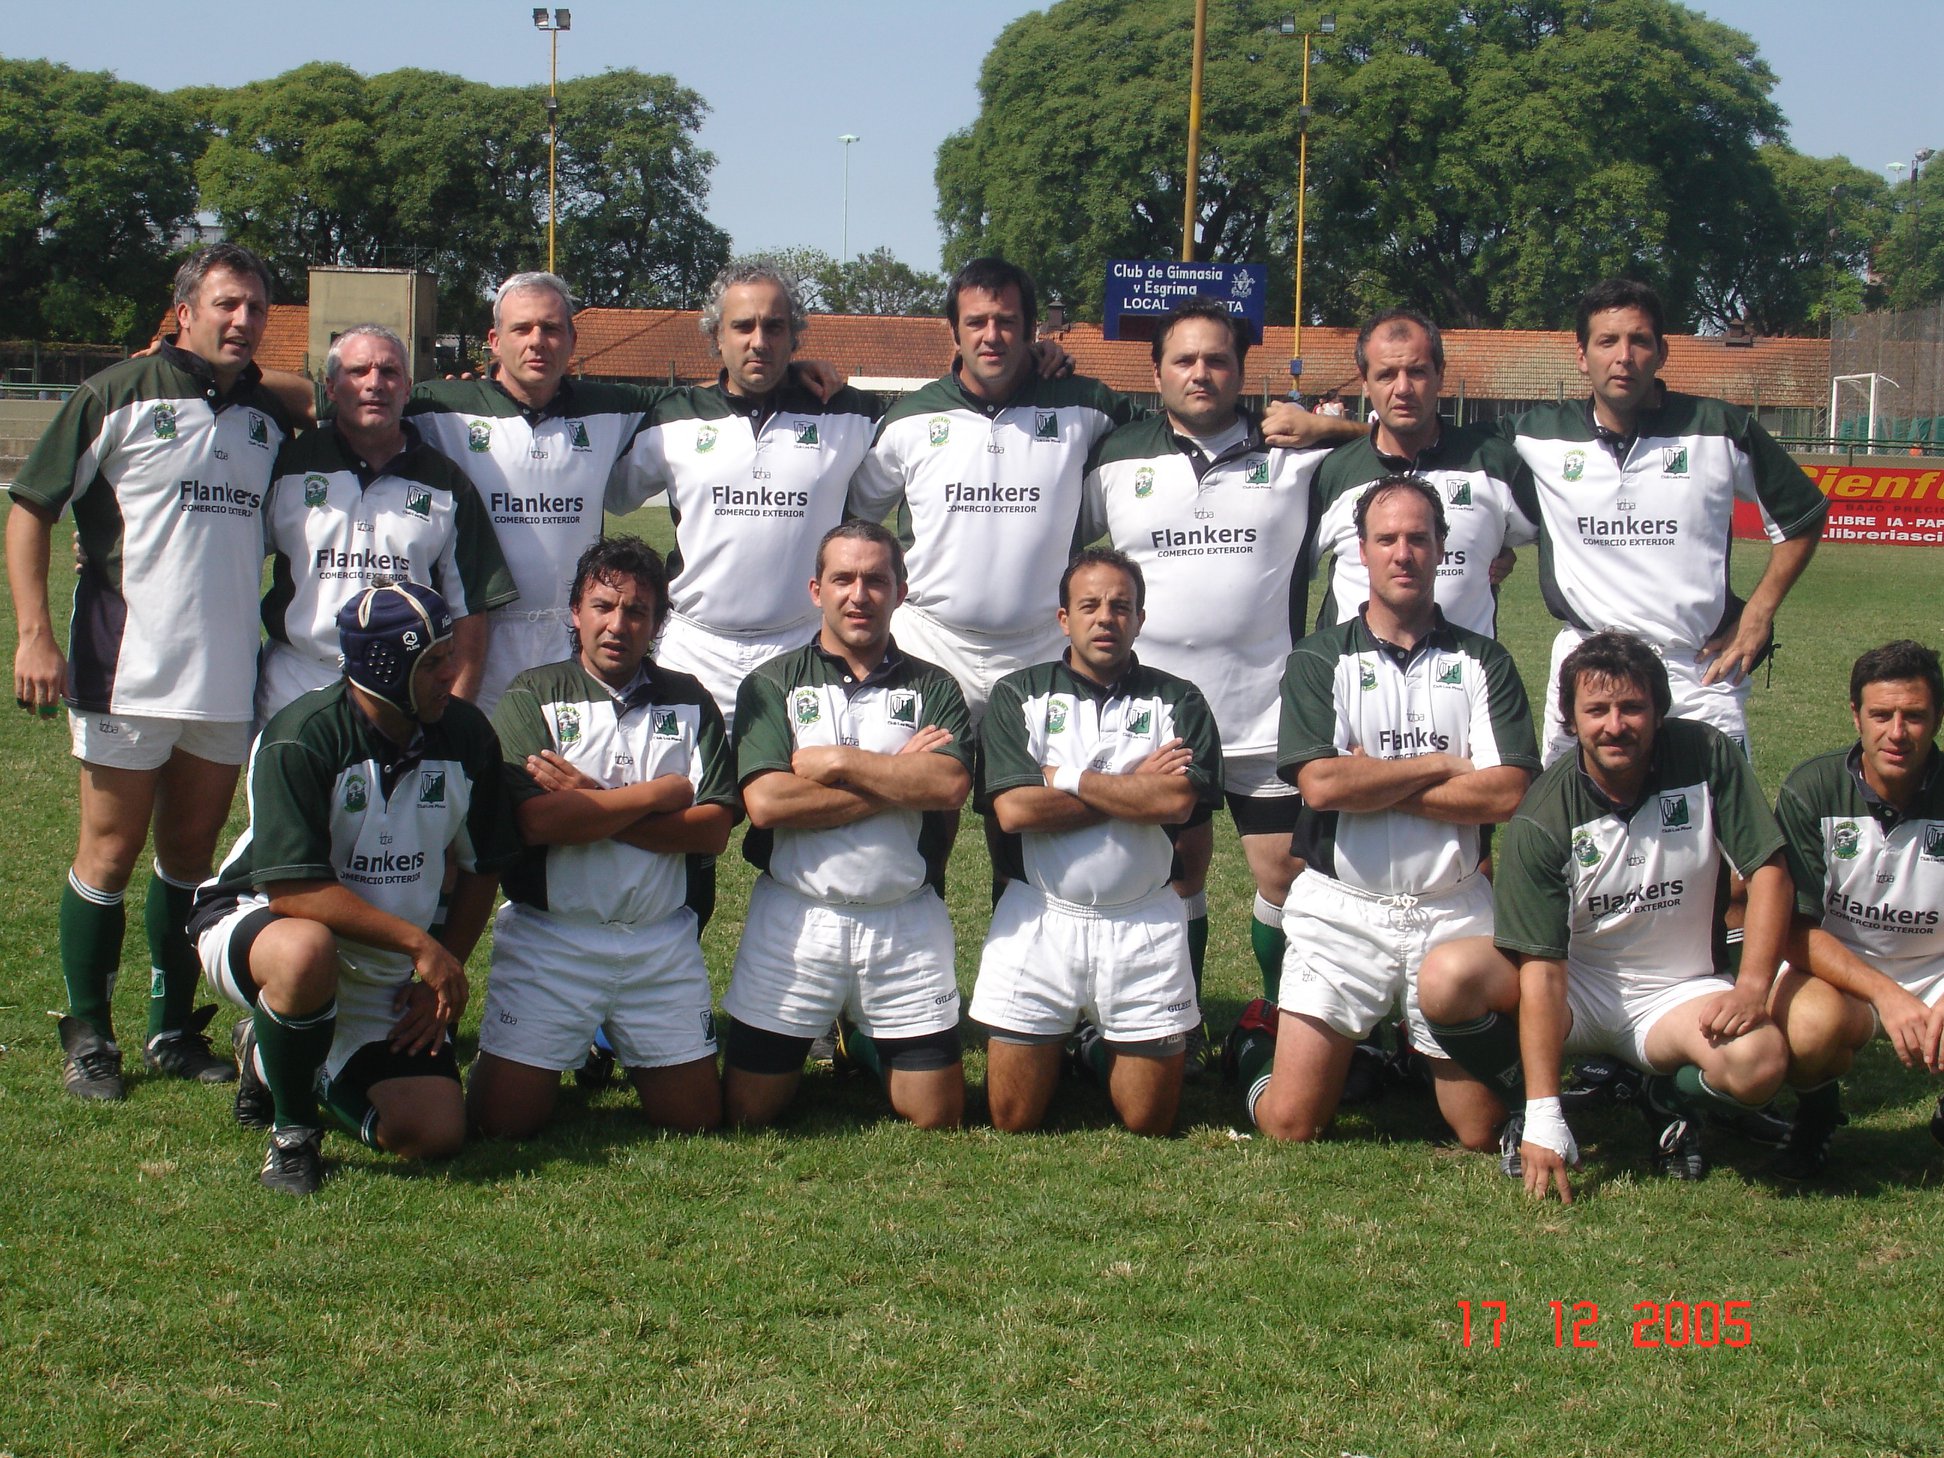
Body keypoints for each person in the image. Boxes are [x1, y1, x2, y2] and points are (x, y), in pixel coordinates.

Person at [9, 243, 292, 1099]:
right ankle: (87, 1033)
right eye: (225, 304)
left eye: (254, 309)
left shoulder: (267, 418)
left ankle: (174, 1028)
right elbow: (30, 508)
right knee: (109, 850)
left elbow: (320, 397)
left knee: (189, 857)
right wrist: (32, 634)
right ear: (185, 311)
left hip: (224, 675)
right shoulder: (115, 395)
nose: (240, 320)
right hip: (122, 665)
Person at [848, 257, 1341, 729]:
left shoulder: (1086, 403)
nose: (992, 336)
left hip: (1042, 643)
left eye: (1007, 321)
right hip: (932, 641)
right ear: (953, 331)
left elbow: (1177, 428)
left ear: (1032, 329)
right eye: (977, 322)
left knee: (1030, 803)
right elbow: (857, 520)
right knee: (934, 794)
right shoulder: (909, 418)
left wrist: (1326, 426)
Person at [1416, 631, 1794, 1203]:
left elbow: (1768, 872)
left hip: (1680, 991)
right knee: (1446, 979)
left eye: (1632, 707)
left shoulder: (1707, 755)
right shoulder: (1543, 814)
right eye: (1596, 710)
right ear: (1570, 718)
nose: (1615, 725)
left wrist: (1752, 987)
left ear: (1659, 710)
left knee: (1760, 1063)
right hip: (1578, 989)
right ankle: (1528, 1103)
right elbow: (1541, 967)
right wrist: (1545, 1112)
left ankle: (1669, 1100)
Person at [1223, 478, 1539, 1149]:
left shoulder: (1484, 661)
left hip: (1451, 909)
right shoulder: (1318, 658)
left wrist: (1374, 777)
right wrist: (1444, 765)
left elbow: (1508, 792)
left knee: (1481, 1130)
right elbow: (1321, 783)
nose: (1404, 553)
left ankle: (1407, 1047)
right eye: (1387, 539)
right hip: (1343, 908)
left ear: (1442, 549)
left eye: (1419, 538)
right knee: (1290, 1124)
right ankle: (1254, 1040)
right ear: (1360, 552)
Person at [190, 583, 519, 1193]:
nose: (455, 672)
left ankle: (271, 1056)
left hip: (382, 961)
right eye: (434, 662)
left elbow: (482, 866)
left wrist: (437, 971)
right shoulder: (302, 736)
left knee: (434, 1133)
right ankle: (293, 1136)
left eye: (450, 654)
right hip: (256, 920)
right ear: (386, 672)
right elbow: (294, 892)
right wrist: (423, 947)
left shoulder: (466, 735)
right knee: (304, 950)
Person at [1080, 296, 1331, 1041]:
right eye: (1184, 359)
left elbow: (1394, 449)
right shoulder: (1119, 458)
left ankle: (1281, 1016)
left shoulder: (1296, 453)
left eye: (1217, 359)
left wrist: (1331, 424)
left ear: (1241, 369)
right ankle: (1176, 1022)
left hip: (1266, 710)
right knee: (1176, 872)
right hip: (1159, 719)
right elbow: (1069, 557)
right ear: (1156, 371)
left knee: (1284, 875)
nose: (1201, 373)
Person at [469, 537, 736, 1138]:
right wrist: (660, 794)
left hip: (659, 944)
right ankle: (583, 1038)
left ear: (658, 622)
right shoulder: (533, 694)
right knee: (500, 1125)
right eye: (603, 606)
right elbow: (538, 822)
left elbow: (714, 830)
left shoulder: (689, 699)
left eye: (637, 611)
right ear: (576, 613)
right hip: (551, 941)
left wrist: (588, 799)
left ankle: (606, 1039)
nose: (618, 624)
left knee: (695, 1121)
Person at [1502, 279, 1827, 765]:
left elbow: (1802, 514)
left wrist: (1758, 612)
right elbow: (1444, 449)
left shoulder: (1718, 428)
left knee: (1716, 831)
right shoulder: (1537, 434)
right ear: (1582, 354)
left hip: (1697, 668)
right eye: (1607, 341)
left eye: (1639, 340)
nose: (1623, 356)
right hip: (1588, 667)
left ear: (1662, 352)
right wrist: (1357, 430)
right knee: (1576, 829)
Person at [720, 521, 974, 1130]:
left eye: (876, 580)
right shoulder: (773, 682)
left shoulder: (934, 685)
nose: (859, 595)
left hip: (904, 917)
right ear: (815, 589)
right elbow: (767, 804)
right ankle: (849, 1028)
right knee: (749, 1112)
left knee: (936, 1116)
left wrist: (838, 764)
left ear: (900, 592)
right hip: (797, 917)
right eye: (843, 579)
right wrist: (895, 780)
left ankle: (864, 1040)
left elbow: (948, 785)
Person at [972, 548, 1223, 1135]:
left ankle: (1091, 1047)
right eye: (1089, 605)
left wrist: (1065, 777)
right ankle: (1074, 1038)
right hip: (1040, 917)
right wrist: (1134, 787)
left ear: (1139, 618)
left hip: (1144, 919)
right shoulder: (1017, 695)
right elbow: (1014, 810)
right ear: (1064, 618)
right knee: (1012, 1117)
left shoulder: (1178, 699)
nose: (1105, 617)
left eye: (1120, 606)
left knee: (1149, 1121)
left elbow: (1177, 802)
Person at [606, 260, 883, 733]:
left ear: (795, 337)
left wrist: (1045, 367)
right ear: (716, 335)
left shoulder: (850, 415)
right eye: (743, 326)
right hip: (694, 648)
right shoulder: (674, 416)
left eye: (775, 327)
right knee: (684, 802)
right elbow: (614, 493)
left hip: (802, 646)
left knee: (798, 801)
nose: (759, 341)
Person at [256, 323, 516, 725]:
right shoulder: (287, 464)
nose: (375, 383)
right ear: (329, 387)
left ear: (408, 388)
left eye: (389, 372)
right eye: (358, 371)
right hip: (298, 677)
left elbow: (472, 616)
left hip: (406, 681)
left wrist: (452, 715)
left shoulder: (446, 482)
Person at [1767, 640, 1944, 1177]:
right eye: (1881, 715)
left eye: (1913, 716)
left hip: (1937, 973)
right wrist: (1886, 996)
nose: (1896, 732)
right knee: (1804, 1029)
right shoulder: (1812, 789)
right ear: (1855, 714)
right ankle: (1817, 1115)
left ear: (1937, 718)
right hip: (1843, 973)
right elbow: (1793, 929)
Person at [1314, 308, 1537, 638]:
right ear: (1365, 383)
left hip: (1462, 681)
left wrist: (1496, 550)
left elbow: (1559, 539)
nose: (1402, 388)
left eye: (1416, 372)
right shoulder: (1332, 472)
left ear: (1440, 375)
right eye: (1386, 374)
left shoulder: (1494, 463)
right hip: (1356, 681)